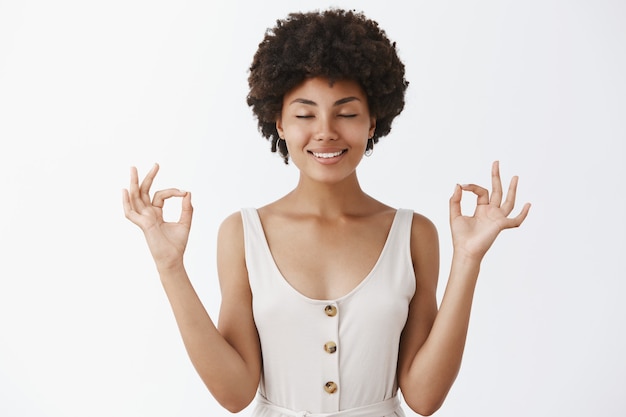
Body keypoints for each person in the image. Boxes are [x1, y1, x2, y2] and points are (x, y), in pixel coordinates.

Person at [122, 8, 530, 417]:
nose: (326, 131)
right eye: (304, 114)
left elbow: (424, 398)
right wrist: (169, 265)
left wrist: (468, 259)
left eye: (347, 113)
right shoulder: (243, 233)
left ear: (373, 121)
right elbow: (234, 393)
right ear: (278, 122)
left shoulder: (413, 234)